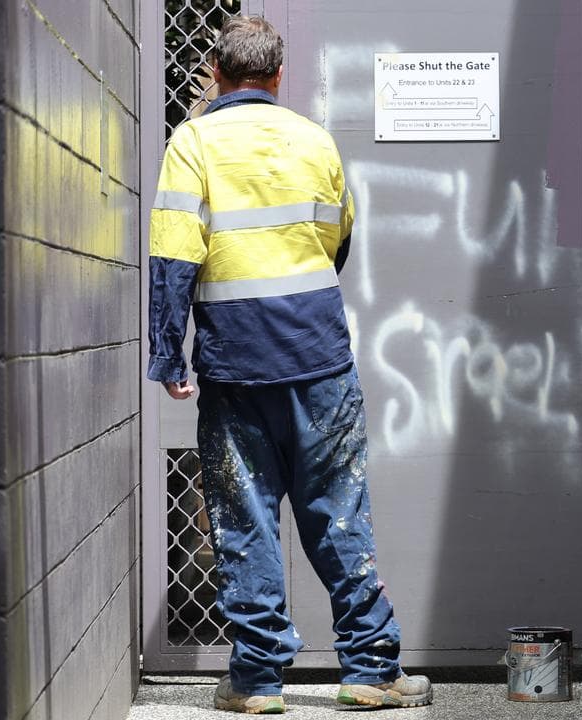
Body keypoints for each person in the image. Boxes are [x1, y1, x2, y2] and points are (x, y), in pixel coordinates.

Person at [146, 15, 432, 714]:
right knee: (340, 514)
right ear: (279, 74)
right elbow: (339, 239)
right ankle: (368, 670)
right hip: (318, 361)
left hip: (236, 367)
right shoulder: (315, 139)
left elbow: (173, 256)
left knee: (244, 520)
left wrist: (168, 352)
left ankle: (257, 682)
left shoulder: (192, 142)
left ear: (216, 72)